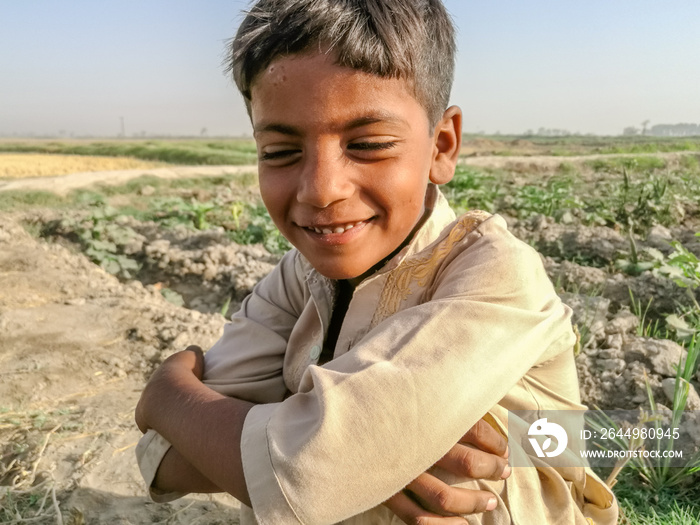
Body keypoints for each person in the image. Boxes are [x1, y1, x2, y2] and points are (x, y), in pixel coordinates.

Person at [135, 1, 619, 523]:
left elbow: (311, 472)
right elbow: (165, 460)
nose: (322, 191)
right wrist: (362, 457)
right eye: (279, 152)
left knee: (467, 466)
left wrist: (168, 395)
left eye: (368, 144)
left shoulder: (495, 274)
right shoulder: (297, 277)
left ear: (442, 145)